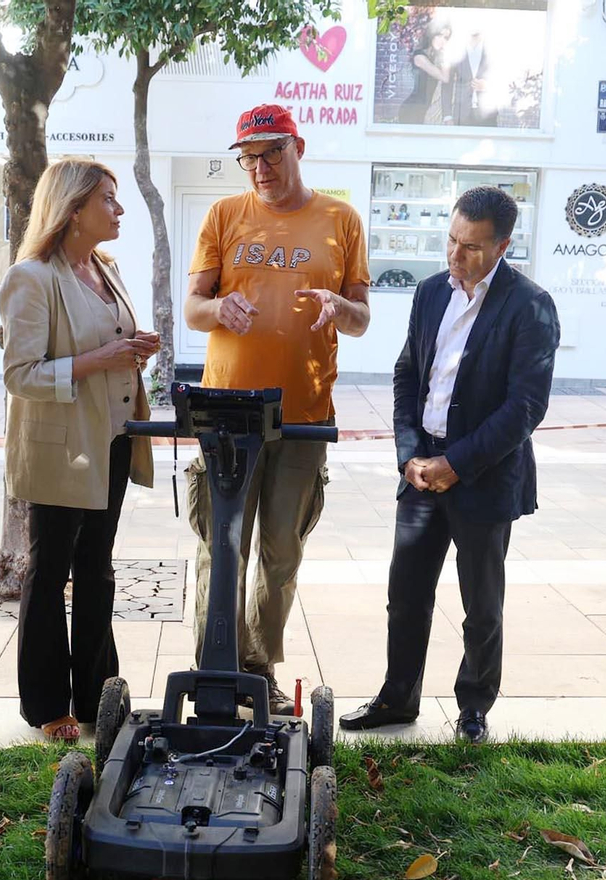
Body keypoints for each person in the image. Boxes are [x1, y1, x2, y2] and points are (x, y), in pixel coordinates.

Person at [343, 186, 559, 743]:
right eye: (451, 241)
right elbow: (406, 375)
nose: (456, 256)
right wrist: (410, 456)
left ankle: (473, 709)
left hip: (483, 477)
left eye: (472, 247)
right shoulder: (430, 292)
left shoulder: (529, 305)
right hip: (421, 472)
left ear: (503, 245)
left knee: (480, 604)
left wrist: (456, 464)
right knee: (406, 593)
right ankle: (397, 698)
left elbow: (525, 408)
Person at [184, 104, 371, 711]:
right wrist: (219, 311)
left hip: (304, 415)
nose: (260, 167)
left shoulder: (341, 220)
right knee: (221, 544)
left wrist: (341, 310)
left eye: (272, 152)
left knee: (281, 550)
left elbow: (362, 317)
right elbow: (193, 306)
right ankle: (217, 666)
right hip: (227, 412)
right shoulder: (224, 215)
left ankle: (259, 668)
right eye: (249, 157)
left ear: (299, 147)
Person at [0, 159, 157, 742]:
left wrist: (134, 348)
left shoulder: (105, 268)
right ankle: (47, 706)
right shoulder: (32, 276)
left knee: (97, 569)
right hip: (59, 448)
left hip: (111, 439)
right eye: (109, 201)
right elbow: (20, 374)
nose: (118, 211)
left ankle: (98, 697)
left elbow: (109, 344)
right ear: (73, 209)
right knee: (49, 574)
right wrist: (103, 360)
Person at [397, 21, 452, 125]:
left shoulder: (436, 58)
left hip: (425, 110)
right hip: (412, 110)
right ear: (432, 34)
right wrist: (446, 56)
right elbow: (445, 78)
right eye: (439, 35)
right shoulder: (420, 57)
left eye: (446, 38)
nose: (442, 41)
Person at [444, 31, 496, 126]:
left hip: (487, 113)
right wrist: (447, 116)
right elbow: (447, 82)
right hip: (461, 115)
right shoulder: (456, 48)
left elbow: (504, 78)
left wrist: (488, 86)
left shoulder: (493, 47)